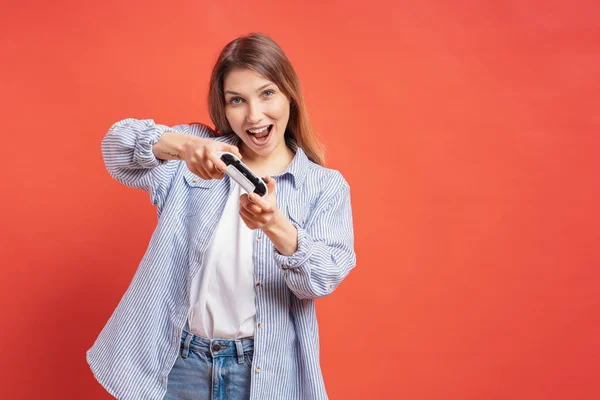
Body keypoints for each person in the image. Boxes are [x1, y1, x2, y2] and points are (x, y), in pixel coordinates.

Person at [86, 32, 357, 400]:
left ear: (289, 94)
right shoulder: (198, 155)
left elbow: (322, 278)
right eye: (237, 100)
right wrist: (185, 146)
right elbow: (115, 149)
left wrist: (274, 225)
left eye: (267, 94)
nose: (254, 115)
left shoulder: (324, 186)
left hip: (261, 374)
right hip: (177, 362)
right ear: (223, 107)